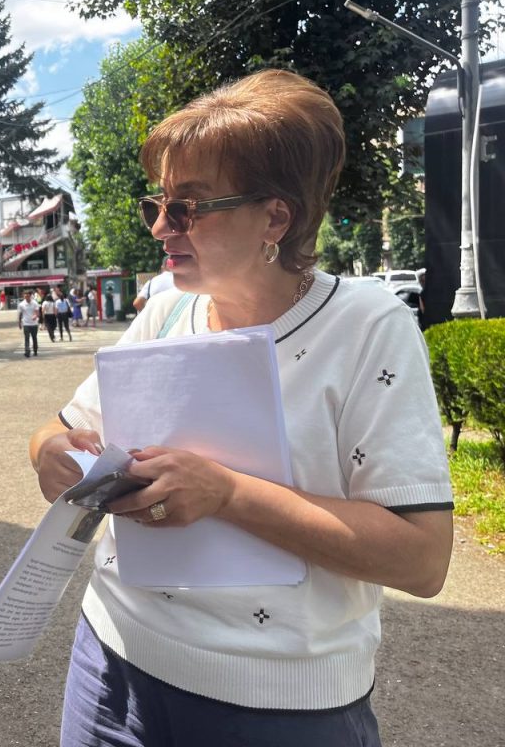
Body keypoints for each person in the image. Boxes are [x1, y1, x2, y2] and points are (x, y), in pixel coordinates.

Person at [28, 70, 453, 746]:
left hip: (279, 706)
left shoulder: (367, 325)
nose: (161, 227)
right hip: (109, 661)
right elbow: (61, 429)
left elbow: (423, 560)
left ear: (275, 218)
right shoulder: (167, 312)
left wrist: (227, 493)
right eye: (159, 203)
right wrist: (51, 453)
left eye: (188, 208)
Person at [17, 288, 40, 358]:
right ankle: (27, 351)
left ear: (30, 296)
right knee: (26, 338)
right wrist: (19, 323)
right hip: (26, 324)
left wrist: (35, 316)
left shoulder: (35, 303)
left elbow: (37, 313)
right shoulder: (21, 304)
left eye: (27, 296)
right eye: (25, 295)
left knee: (34, 338)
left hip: (34, 324)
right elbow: (20, 314)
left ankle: (35, 350)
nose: (26, 297)